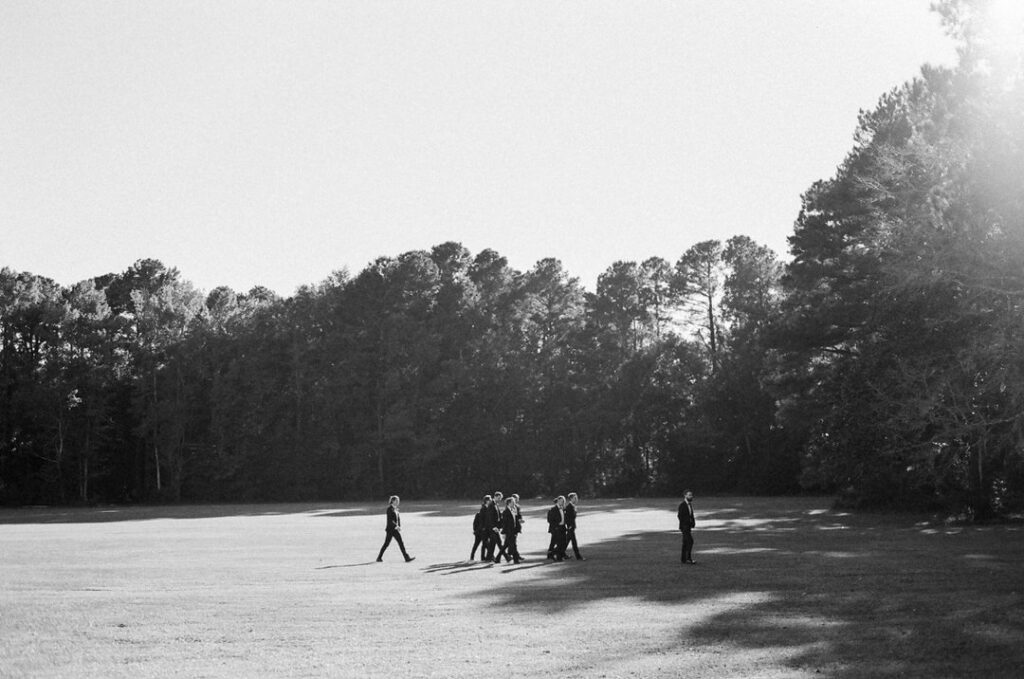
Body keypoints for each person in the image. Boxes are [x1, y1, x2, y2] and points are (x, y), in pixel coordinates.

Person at [376, 495, 415, 563]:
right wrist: (396, 526)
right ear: (393, 501)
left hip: (395, 529)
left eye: (398, 501)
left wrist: (399, 526)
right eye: (396, 500)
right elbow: (390, 520)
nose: (398, 502)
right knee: (387, 544)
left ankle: (406, 557)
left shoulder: (395, 509)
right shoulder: (389, 509)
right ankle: (379, 557)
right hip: (390, 530)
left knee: (400, 543)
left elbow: (397, 519)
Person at [498, 497, 522, 563]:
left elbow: (515, 520)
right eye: (513, 502)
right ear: (509, 503)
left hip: (514, 530)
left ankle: (497, 558)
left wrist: (519, 524)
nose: (514, 503)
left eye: (514, 502)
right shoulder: (505, 512)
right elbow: (504, 523)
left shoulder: (514, 510)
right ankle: (516, 560)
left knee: (506, 545)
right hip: (509, 531)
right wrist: (504, 533)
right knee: (513, 545)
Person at [546, 495, 568, 561]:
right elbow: (549, 520)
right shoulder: (553, 509)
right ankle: (558, 557)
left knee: (563, 543)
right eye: (561, 501)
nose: (562, 502)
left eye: (563, 501)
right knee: (558, 543)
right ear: (558, 501)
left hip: (563, 527)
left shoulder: (563, 509)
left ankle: (552, 553)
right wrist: (556, 525)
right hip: (556, 528)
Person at [565, 492, 585, 560]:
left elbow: (572, 517)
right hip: (570, 527)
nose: (576, 499)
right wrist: (569, 526)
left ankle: (557, 553)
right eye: (575, 498)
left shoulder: (573, 506)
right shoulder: (569, 507)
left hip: (572, 527)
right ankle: (578, 556)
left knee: (566, 542)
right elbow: (567, 518)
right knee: (574, 542)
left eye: (576, 498)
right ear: (571, 499)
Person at [677, 490, 696, 565]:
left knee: (685, 542)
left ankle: (683, 559)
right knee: (690, 541)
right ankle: (688, 558)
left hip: (688, 527)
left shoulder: (690, 504)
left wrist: (693, 523)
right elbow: (679, 516)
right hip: (685, 527)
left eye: (691, 495)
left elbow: (691, 515)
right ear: (685, 496)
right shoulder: (682, 505)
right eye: (689, 495)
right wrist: (686, 523)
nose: (691, 496)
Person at [470, 496, 491, 561]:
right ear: (486, 501)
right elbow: (480, 522)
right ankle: (473, 557)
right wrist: (481, 529)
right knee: (478, 544)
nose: (490, 501)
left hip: (483, 531)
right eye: (489, 500)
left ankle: (483, 557)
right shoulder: (483, 509)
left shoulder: (487, 508)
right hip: (480, 531)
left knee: (484, 544)